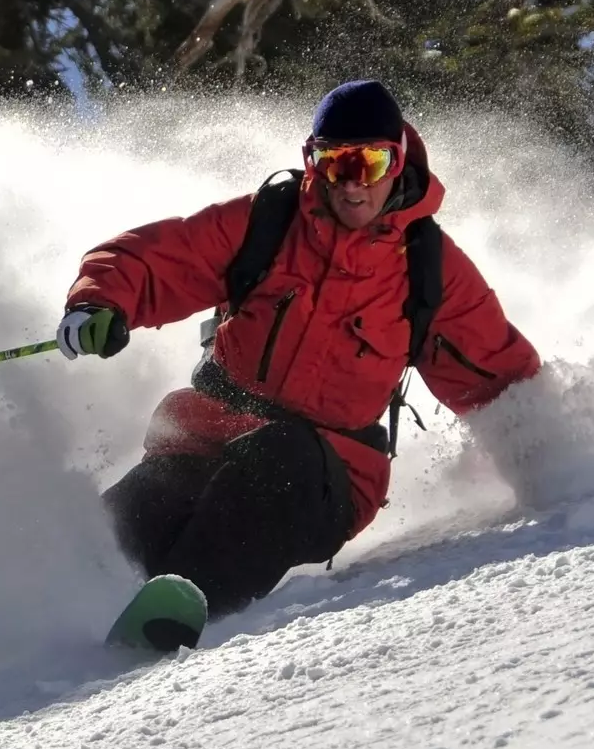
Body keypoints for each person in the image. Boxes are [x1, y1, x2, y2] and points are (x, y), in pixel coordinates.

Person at [58, 79, 541, 616]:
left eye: (371, 164)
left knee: (279, 456)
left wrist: (557, 464)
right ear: (312, 162)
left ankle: (182, 609)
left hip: (329, 473)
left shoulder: (429, 268)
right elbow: (158, 258)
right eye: (335, 164)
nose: (352, 184)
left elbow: (499, 375)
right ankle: (47, 616)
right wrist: (100, 302)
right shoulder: (268, 223)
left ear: (398, 161)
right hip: (209, 438)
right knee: (126, 521)